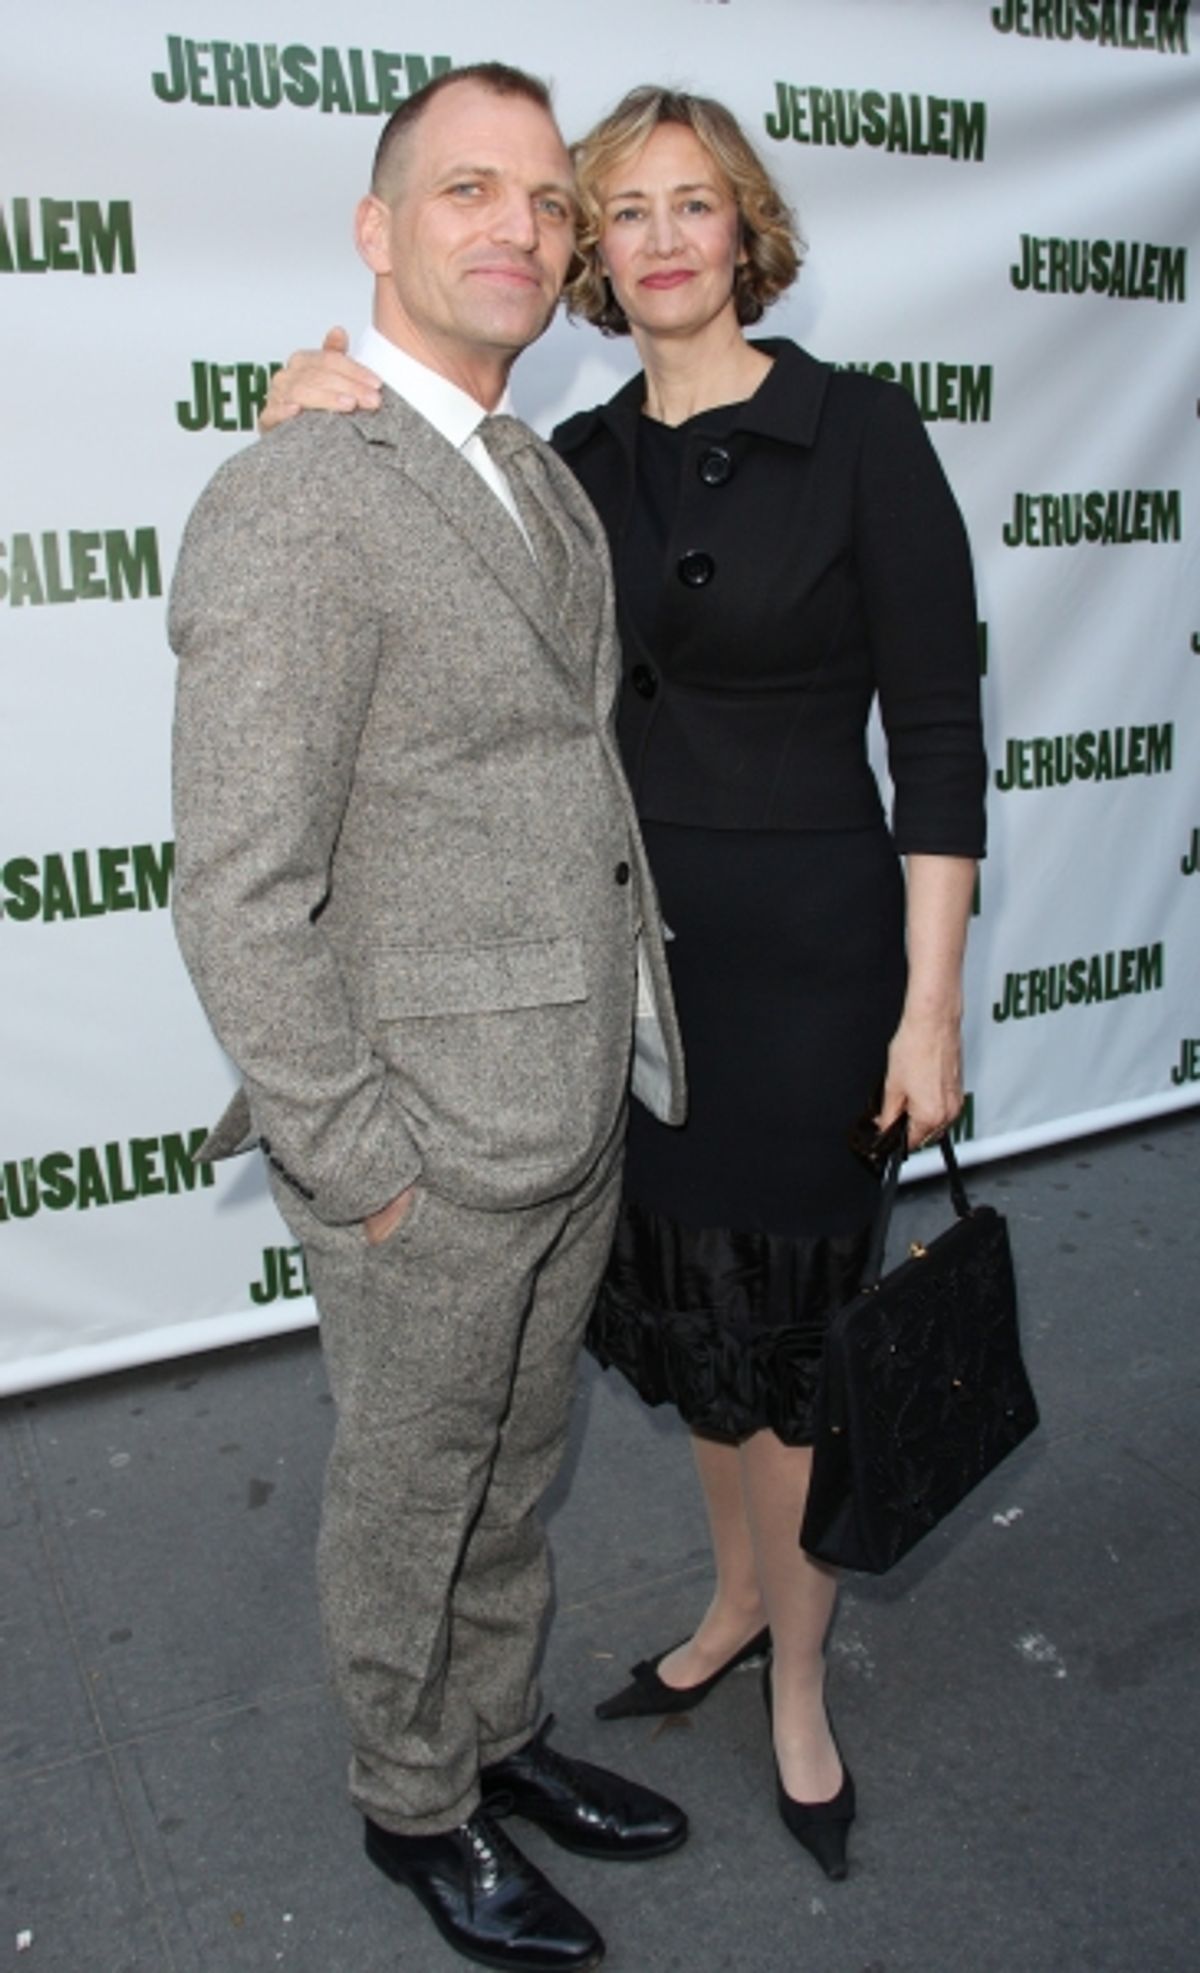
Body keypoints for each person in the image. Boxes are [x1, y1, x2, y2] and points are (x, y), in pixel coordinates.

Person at [262, 84, 985, 1884]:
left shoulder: (864, 434)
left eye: (694, 205)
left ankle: (800, 1679)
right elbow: (402, 507)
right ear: (596, 254)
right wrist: (308, 397)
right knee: (707, 1343)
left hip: (819, 979)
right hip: (629, 998)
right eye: (626, 210)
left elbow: (945, 737)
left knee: (801, 1353)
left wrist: (930, 1002)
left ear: (747, 231)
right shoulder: (568, 457)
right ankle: (737, 1599)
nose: (661, 239)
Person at [170, 64, 689, 1973]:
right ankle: (416, 1806)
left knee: (518, 1464)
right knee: (411, 1490)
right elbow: (236, 888)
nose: (522, 232)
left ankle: (496, 1734)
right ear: (375, 233)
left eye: (551, 206)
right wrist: (363, 1166)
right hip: (422, 1146)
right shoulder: (299, 494)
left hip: (563, 1102)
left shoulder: (529, 463)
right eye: (467, 191)